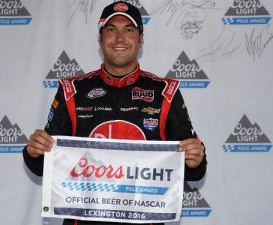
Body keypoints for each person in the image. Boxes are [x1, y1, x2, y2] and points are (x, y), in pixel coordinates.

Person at [23, 1, 207, 225]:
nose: (119, 38)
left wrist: (196, 159)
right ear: (100, 39)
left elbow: (191, 172)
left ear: (140, 39)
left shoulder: (165, 93)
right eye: (111, 30)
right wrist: (34, 152)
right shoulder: (72, 91)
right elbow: (45, 167)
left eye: (128, 30)